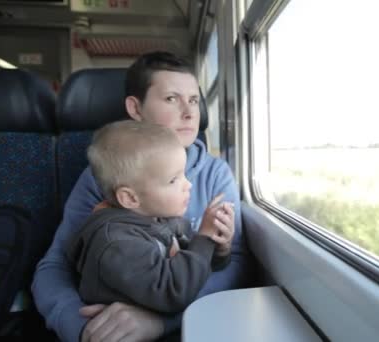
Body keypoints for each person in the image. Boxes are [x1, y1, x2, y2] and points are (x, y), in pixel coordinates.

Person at [32, 51, 249, 342]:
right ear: (136, 108)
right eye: (172, 99)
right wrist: (82, 327)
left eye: (195, 100)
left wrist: (163, 320)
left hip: (187, 317)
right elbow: (57, 263)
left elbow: (233, 261)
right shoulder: (106, 175)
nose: (189, 112)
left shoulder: (216, 174)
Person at [65, 120, 233, 314]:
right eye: (173, 180)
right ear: (130, 198)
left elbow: (195, 266)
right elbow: (174, 291)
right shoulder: (117, 244)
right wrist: (203, 238)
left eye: (183, 175)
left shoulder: (161, 218)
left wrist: (217, 245)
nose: (188, 185)